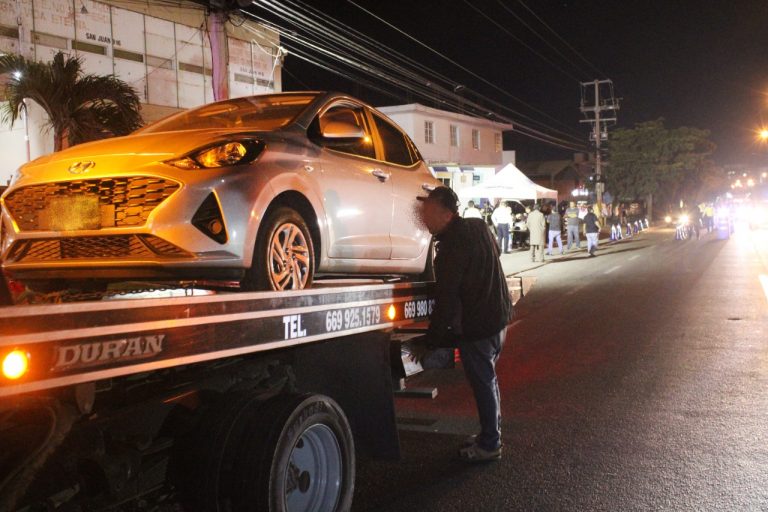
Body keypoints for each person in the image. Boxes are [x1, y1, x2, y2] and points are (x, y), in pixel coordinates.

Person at [413, 186, 512, 463]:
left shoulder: (451, 248)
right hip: (498, 318)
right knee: (488, 381)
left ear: (446, 214)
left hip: (478, 326)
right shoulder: (478, 226)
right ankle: (489, 435)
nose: (423, 217)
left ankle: (490, 444)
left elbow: (446, 301)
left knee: (483, 383)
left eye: (428, 211)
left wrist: (430, 341)